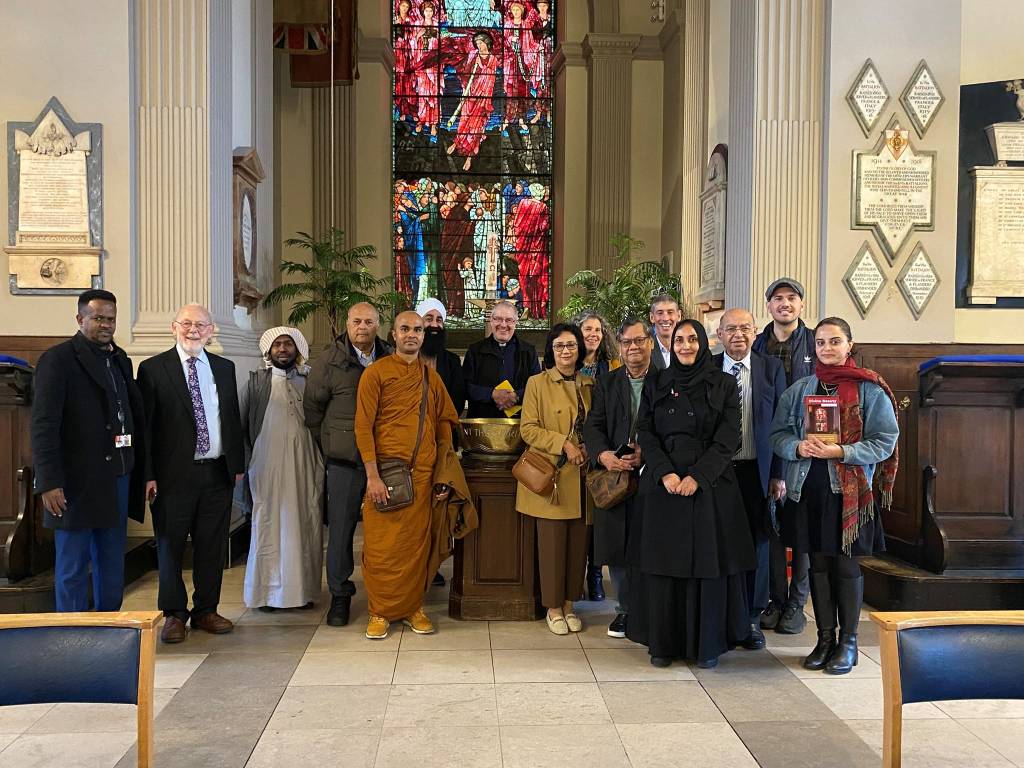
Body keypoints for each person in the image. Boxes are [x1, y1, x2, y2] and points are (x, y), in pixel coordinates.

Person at [770, 317, 898, 675]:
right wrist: (799, 446)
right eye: (822, 342)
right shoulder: (799, 390)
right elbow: (777, 435)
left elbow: (885, 441)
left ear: (850, 345)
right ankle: (824, 639)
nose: (828, 348)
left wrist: (841, 452)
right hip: (806, 489)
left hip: (850, 494)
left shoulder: (869, 390)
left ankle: (849, 643)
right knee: (819, 566)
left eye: (835, 341)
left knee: (845, 565)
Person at [628, 319, 755, 668]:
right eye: (680, 340)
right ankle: (663, 645)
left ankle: (706, 645)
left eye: (692, 340)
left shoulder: (725, 384)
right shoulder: (657, 381)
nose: (685, 346)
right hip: (663, 485)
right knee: (664, 565)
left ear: (703, 343)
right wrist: (665, 472)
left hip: (709, 487)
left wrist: (697, 477)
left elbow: (730, 437)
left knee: (706, 567)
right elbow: (646, 432)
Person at [31, 289, 147, 612]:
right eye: (98, 318)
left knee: (111, 561)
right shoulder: (58, 360)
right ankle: (70, 635)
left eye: (110, 319)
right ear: (80, 319)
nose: (105, 325)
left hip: (117, 475)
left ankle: (108, 627)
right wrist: (49, 481)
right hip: (74, 482)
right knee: (73, 564)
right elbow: (43, 426)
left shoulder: (120, 359)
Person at [137, 304, 244, 644]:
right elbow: (147, 428)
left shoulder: (225, 368)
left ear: (211, 331)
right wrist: (148, 473)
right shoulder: (153, 369)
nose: (193, 330)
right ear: (173, 328)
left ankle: (205, 610)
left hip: (217, 473)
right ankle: (173, 614)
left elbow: (231, 418)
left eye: (200, 324)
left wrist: (237, 465)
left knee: (211, 546)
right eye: (186, 323)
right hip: (172, 476)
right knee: (169, 546)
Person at [356, 311, 461, 640]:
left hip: (424, 476)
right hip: (386, 474)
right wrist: (372, 477)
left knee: (417, 547)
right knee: (381, 548)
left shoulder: (431, 377)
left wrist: (443, 473)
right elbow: (363, 428)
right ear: (393, 334)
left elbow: (444, 425)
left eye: (417, 329)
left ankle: (414, 607)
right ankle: (379, 611)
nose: (412, 334)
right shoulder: (376, 374)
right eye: (405, 329)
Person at [305, 302, 393, 627]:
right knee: (341, 531)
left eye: (369, 321)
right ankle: (340, 596)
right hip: (344, 461)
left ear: (378, 324)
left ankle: (386, 594)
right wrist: (329, 444)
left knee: (385, 532)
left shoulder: (390, 357)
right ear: (347, 323)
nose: (363, 327)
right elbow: (312, 409)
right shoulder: (329, 360)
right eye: (357, 321)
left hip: (384, 462)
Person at [713, 308, 788, 650]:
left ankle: (751, 620)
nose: (738, 335)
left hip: (758, 471)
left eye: (745, 328)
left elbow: (784, 425)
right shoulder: (709, 369)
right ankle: (723, 616)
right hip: (718, 474)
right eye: (731, 329)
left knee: (757, 547)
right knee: (720, 544)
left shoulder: (770, 369)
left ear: (755, 332)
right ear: (720, 334)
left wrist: (779, 474)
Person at [517, 323, 594, 635]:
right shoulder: (537, 383)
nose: (566, 351)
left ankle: (569, 603)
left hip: (584, 475)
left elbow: (597, 424)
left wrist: (588, 447)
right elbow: (528, 428)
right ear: (551, 350)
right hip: (554, 475)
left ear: (580, 349)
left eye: (571, 346)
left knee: (578, 544)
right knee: (551, 544)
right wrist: (564, 444)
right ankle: (552, 607)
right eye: (560, 346)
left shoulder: (590, 383)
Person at [240, 327, 323, 612]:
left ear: (297, 349)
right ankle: (266, 594)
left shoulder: (310, 380)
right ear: (269, 351)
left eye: (288, 344)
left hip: (305, 461)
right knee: (268, 522)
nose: (283, 349)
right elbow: (242, 425)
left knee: (305, 520)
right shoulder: (255, 382)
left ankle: (303, 593)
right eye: (277, 345)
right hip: (267, 464)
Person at [752, 277, 816, 633]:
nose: (785, 304)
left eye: (791, 298)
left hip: (805, 448)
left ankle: (796, 603)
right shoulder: (758, 344)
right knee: (773, 525)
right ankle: (776, 599)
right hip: (771, 445)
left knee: (800, 526)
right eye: (778, 299)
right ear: (769, 306)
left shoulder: (813, 343)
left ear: (801, 305)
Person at [582, 316, 652, 638]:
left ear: (649, 343)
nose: (633, 347)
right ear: (620, 347)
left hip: (653, 477)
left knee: (647, 543)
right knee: (618, 547)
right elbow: (593, 425)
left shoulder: (665, 381)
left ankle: (648, 610)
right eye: (627, 342)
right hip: (615, 477)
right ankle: (625, 610)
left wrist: (646, 453)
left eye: (639, 340)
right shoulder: (608, 382)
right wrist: (603, 455)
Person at [575, 310, 619, 602]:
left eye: (597, 330)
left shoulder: (612, 367)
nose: (592, 334)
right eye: (587, 329)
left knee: (598, 515)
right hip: (573, 450)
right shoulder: (568, 363)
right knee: (577, 518)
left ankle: (595, 574)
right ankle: (574, 574)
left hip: (602, 449)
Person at [462, 300, 541, 418]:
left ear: (515, 322)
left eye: (509, 320)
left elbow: (537, 387)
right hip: (482, 421)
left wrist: (516, 396)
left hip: (520, 423)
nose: (503, 325)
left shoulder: (528, 352)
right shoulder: (475, 351)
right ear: (491, 321)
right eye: (498, 319)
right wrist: (491, 394)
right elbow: (465, 387)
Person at [417, 298, 466, 416]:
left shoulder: (452, 361)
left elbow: (457, 402)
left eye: (439, 320)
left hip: (444, 425)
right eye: (429, 319)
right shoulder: (408, 356)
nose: (434, 324)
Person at [648, 293, 681, 371]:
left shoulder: (687, 348)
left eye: (670, 312)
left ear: (679, 316)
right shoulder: (645, 350)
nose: (665, 318)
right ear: (652, 317)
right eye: (660, 313)